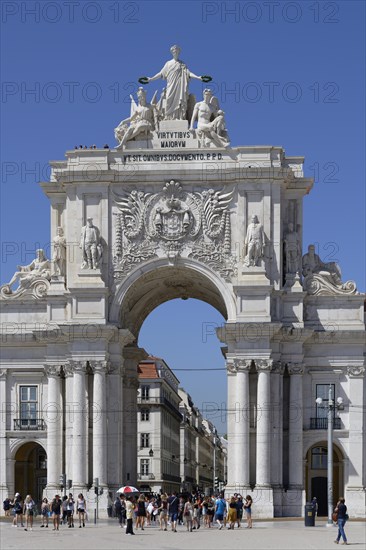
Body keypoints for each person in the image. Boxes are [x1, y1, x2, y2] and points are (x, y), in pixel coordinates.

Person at [145, 45, 208, 120]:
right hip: (171, 85)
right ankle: (168, 117)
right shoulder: (168, 63)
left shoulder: (182, 64)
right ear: (172, 52)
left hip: (179, 86)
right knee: (168, 100)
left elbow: (188, 73)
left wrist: (198, 77)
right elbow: (161, 73)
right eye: (174, 51)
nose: (176, 53)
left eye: (177, 51)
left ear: (179, 53)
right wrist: (151, 79)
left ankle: (180, 117)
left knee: (180, 101)